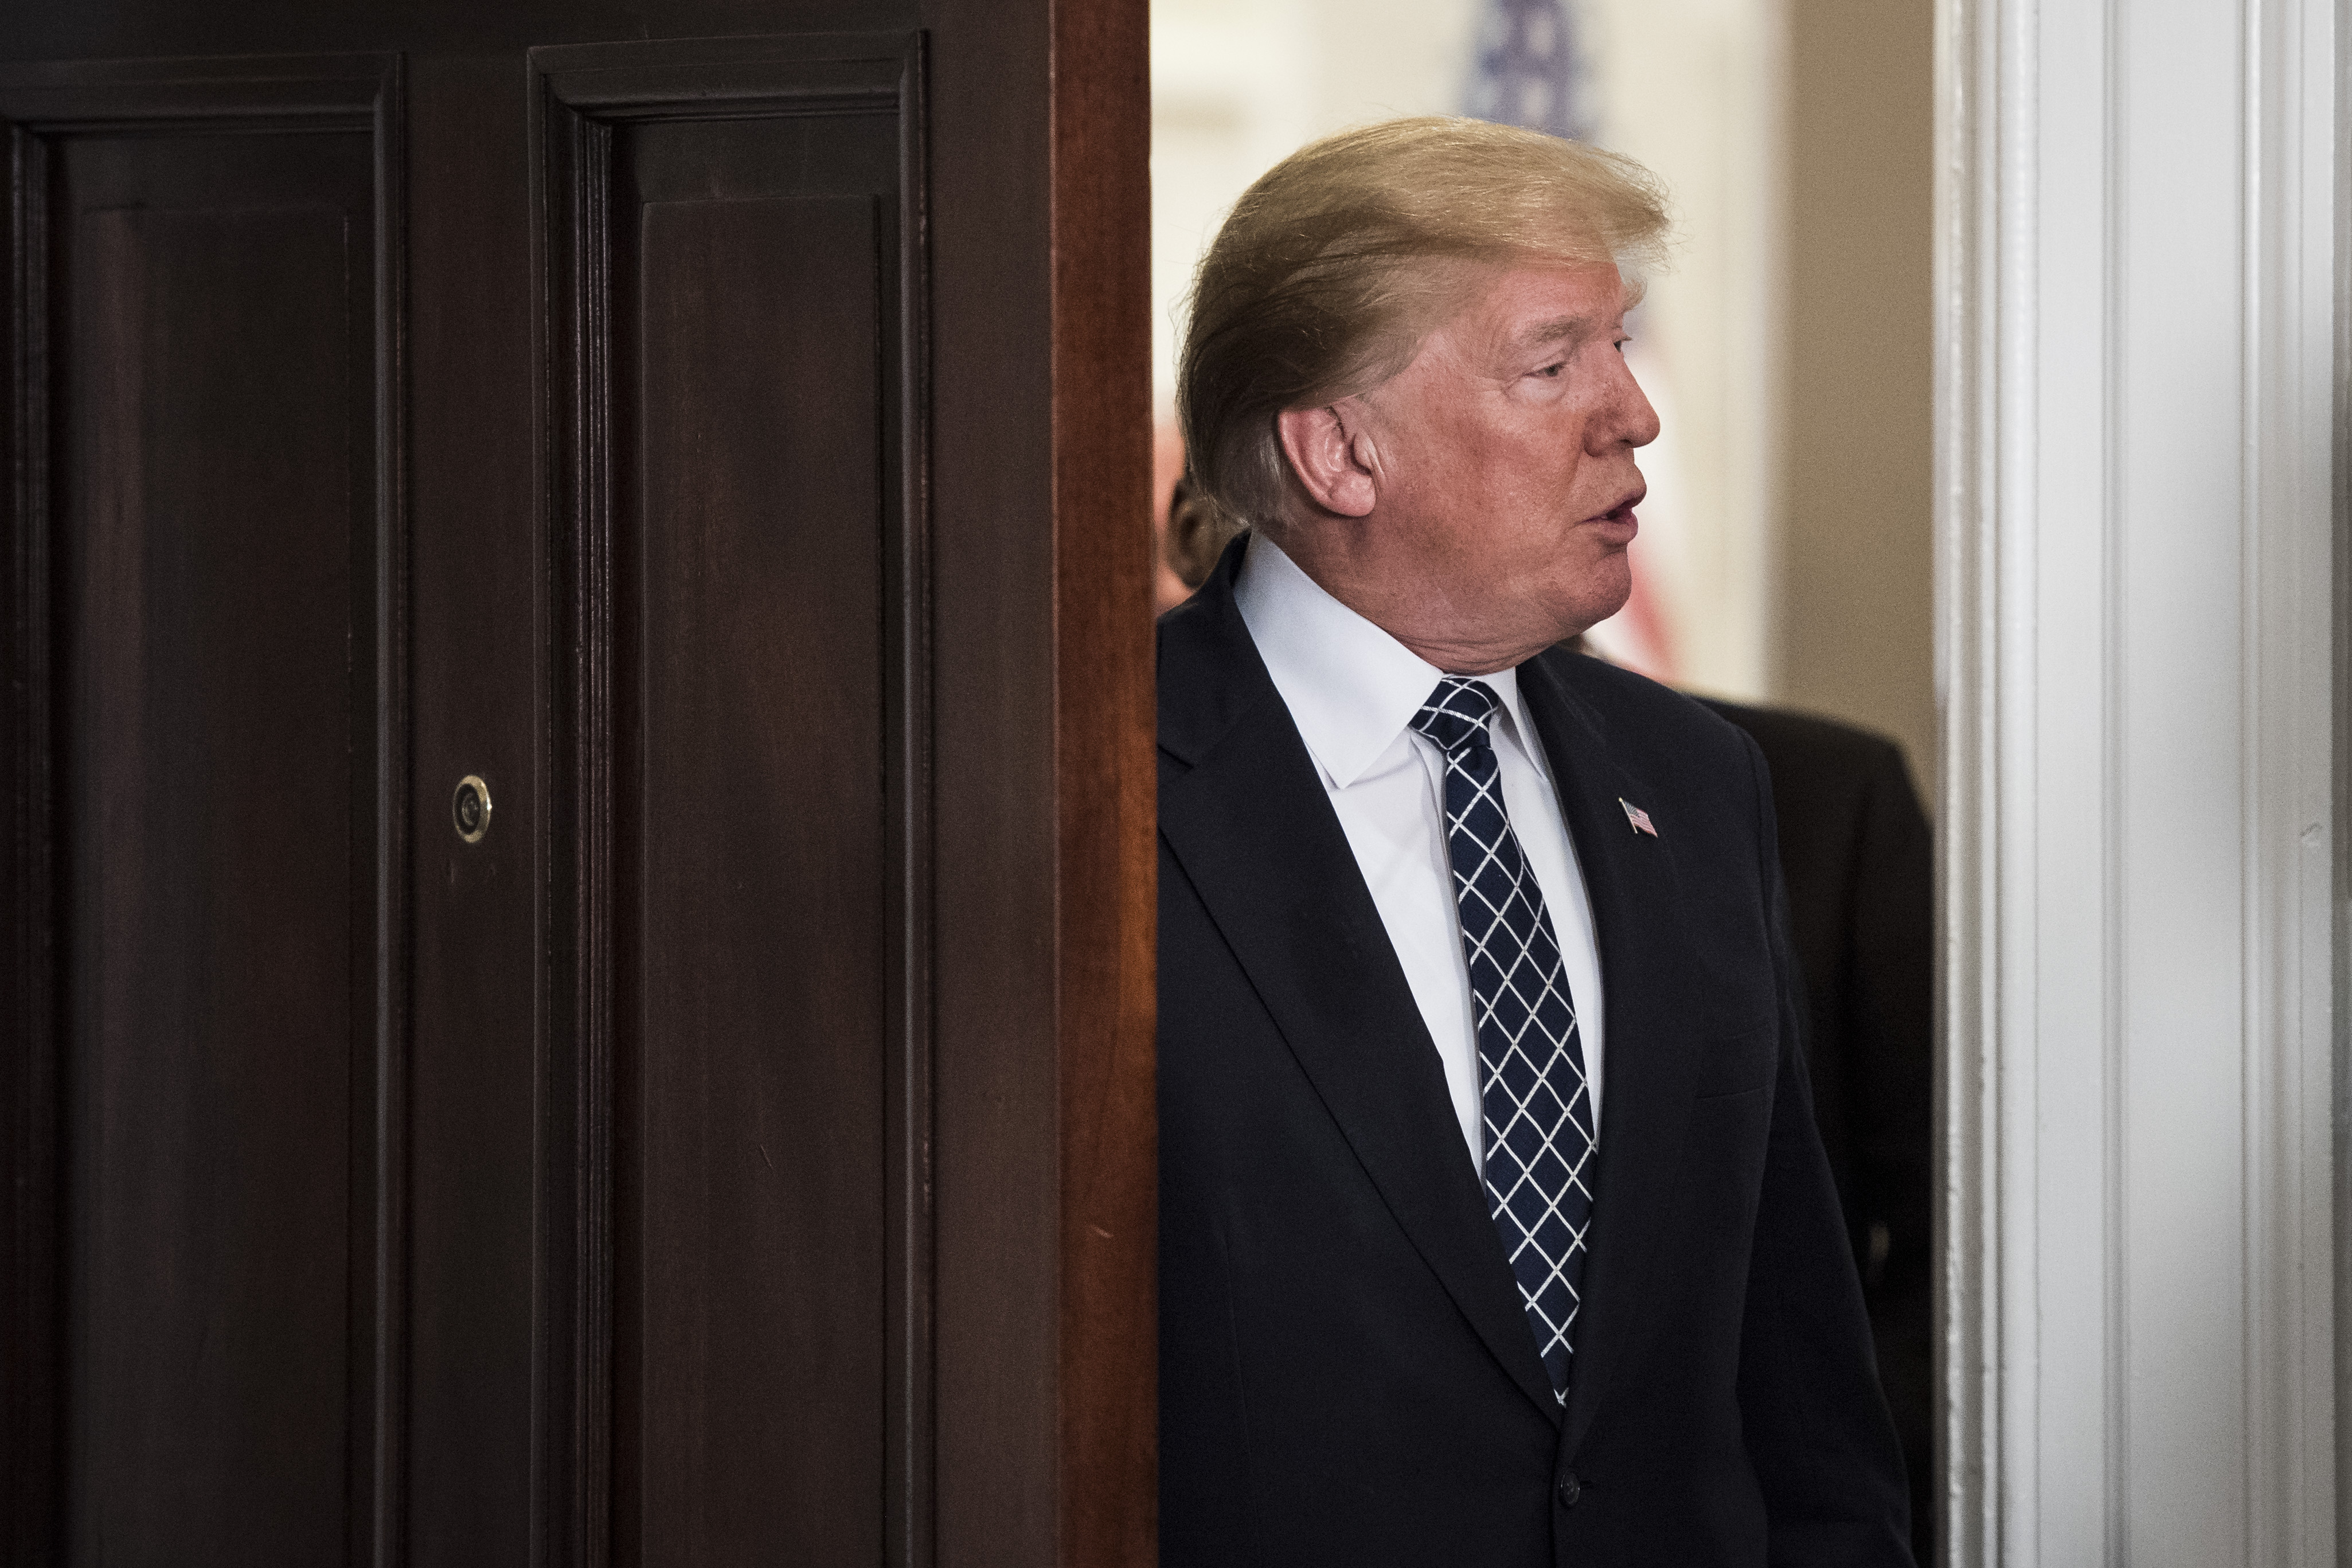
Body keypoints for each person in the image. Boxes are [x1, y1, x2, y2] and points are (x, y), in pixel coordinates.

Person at [1157, 117, 1915, 1566]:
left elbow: (1795, 1366)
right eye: (1554, 363)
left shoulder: (1694, 782)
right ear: (1339, 451)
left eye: (1617, 346)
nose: (1633, 413)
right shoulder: (1082, 796)